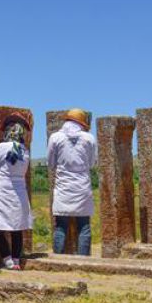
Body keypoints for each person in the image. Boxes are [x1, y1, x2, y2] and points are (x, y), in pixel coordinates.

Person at [0, 112, 34, 270]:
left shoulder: (3, 147)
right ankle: (16, 260)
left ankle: (7, 259)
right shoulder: (25, 152)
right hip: (19, 192)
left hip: (2, 191)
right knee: (16, 227)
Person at [47, 108, 97, 256]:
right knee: (84, 227)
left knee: (61, 226)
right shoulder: (89, 138)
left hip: (63, 186)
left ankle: (58, 259)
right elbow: (93, 163)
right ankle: (84, 260)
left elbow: (51, 163)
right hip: (82, 186)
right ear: (81, 123)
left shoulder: (55, 137)